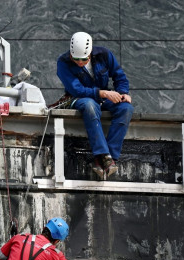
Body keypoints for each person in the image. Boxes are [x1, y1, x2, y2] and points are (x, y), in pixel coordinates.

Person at [56, 31, 134, 180]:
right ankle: (101, 154)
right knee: (90, 106)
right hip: (79, 98)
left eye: (83, 59)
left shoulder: (104, 54)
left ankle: (109, 157)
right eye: (76, 59)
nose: (79, 62)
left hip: (102, 97)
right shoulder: (63, 62)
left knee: (126, 108)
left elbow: (120, 76)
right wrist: (104, 93)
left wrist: (123, 93)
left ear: (90, 53)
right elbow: (76, 89)